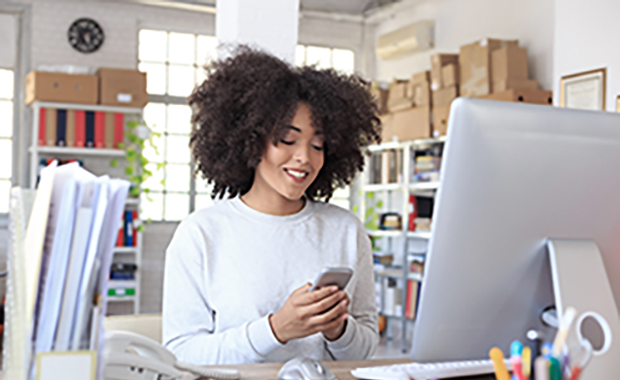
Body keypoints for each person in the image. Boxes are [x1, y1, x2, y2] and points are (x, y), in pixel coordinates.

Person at [162, 46, 382, 365]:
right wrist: (276, 329)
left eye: (318, 144)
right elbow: (181, 353)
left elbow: (364, 349)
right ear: (250, 139)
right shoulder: (201, 234)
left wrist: (338, 330)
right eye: (287, 140)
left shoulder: (345, 230)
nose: (305, 157)